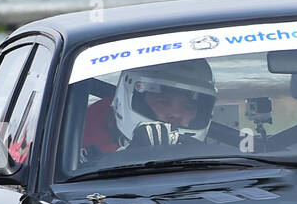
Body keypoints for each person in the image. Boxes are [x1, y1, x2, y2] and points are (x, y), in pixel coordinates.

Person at [83, 59, 218, 157]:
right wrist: (130, 158)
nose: (176, 114)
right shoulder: (79, 149)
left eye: (188, 106)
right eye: (163, 102)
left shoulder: (219, 161)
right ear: (125, 100)